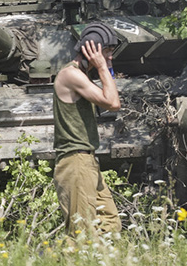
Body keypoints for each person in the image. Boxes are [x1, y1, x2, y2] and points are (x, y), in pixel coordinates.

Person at [52, 23, 122, 235]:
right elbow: (112, 103)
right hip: (75, 161)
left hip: (87, 161)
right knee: (81, 234)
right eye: (107, 52)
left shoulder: (82, 75)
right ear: (92, 50)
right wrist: (102, 67)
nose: (110, 58)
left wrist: (102, 67)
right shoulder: (70, 75)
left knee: (110, 225)